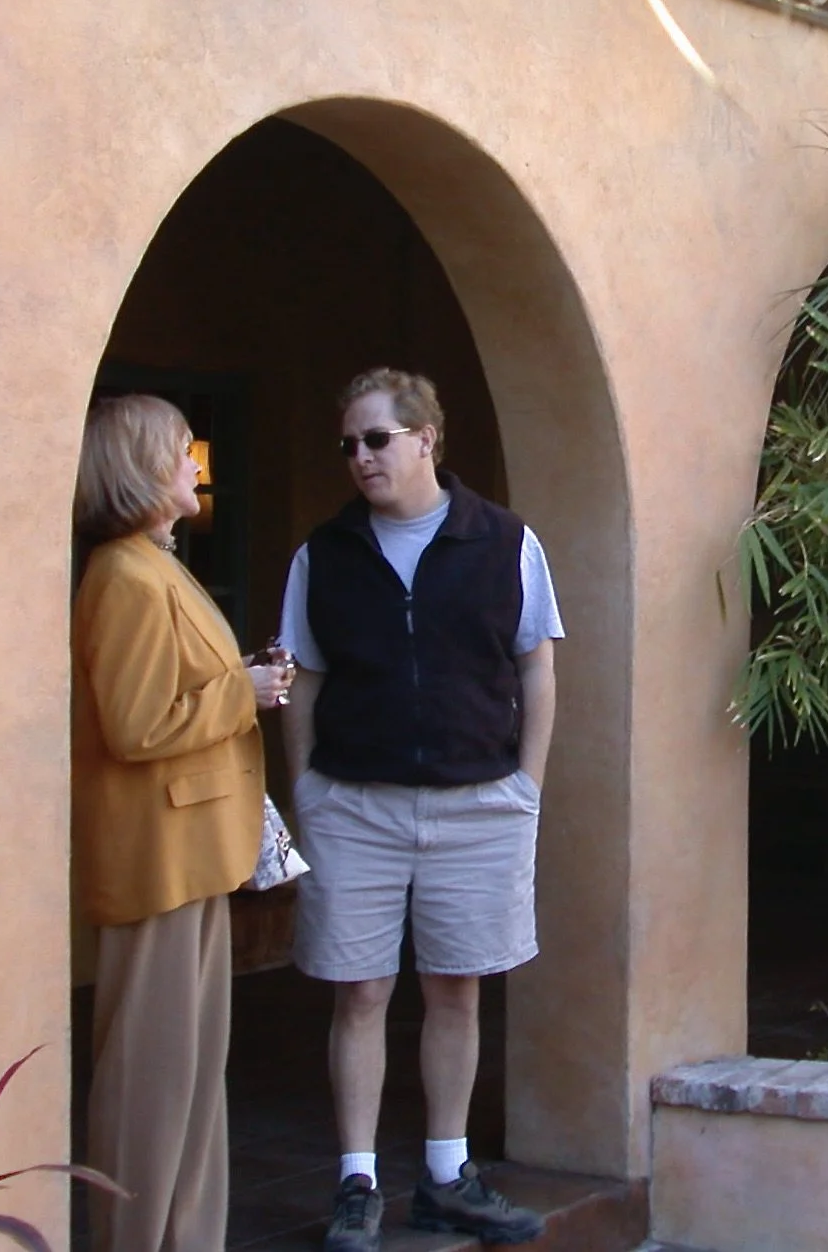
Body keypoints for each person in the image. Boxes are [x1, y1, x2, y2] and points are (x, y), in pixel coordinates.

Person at [280, 368, 561, 1251]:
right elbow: (303, 677)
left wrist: (526, 787)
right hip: (354, 805)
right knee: (359, 991)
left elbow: (536, 666)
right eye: (348, 445)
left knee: (456, 988)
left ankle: (447, 1172)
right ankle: (356, 1179)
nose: (359, 458)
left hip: (479, 803)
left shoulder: (505, 541)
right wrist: (308, 792)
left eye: (376, 440)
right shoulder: (323, 553)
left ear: (426, 439)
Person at [72, 394, 293, 1252]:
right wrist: (244, 691)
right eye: (178, 453)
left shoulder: (155, 566)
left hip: (194, 854)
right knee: (151, 1081)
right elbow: (135, 724)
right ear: (137, 471)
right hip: (157, 861)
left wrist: (237, 680)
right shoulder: (124, 576)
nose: (194, 465)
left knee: (194, 1077)